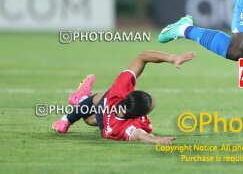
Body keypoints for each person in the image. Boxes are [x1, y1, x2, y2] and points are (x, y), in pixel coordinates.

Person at [51, 50, 196, 143]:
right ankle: (80, 101)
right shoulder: (128, 126)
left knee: (99, 100)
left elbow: (143, 56)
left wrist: (171, 58)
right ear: (140, 115)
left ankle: (76, 105)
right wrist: (156, 139)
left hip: (107, 111)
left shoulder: (120, 90)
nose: (152, 99)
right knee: (91, 119)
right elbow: (139, 136)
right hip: (107, 124)